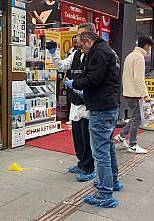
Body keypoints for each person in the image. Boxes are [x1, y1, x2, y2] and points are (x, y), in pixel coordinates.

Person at [65, 31, 122, 208]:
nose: (81, 50)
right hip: (110, 104)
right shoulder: (107, 50)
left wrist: (74, 84)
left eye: (81, 46)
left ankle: (105, 193)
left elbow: (93, 79)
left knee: (100, 150)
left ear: (88, 41)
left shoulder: (98, 52)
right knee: (108, 146)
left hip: (101, 106)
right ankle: (112, 181)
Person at [46, 23, 97, 182]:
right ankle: (81, 163)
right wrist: (53, 53)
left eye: (80, 35)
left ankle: (89, 167)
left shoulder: (95, 54)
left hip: (88, 102)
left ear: (88, 36)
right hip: (75, 102)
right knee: (77, 136)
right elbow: (61, 66)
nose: (77, 38)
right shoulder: (75, 54)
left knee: (87, 136)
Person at [114, 36, 154, 154]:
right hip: (135, 93)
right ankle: (133, 144)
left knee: (134, 117)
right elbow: (139, 78)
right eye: (150, 47)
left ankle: (121, 137)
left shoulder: (130, 56)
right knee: (136, 118)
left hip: (128, 92)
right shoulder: (139, 57)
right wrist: (145, 95)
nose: (150, 49)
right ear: (146, 46)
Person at [65, 36, 79, 126]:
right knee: (70, 98)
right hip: (70, 77)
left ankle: (74, 117)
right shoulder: (70, 52)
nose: (75, 43)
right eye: (74, 42)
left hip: (78, 78)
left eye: (76, 41)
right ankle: (70, 117)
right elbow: (65, 66)